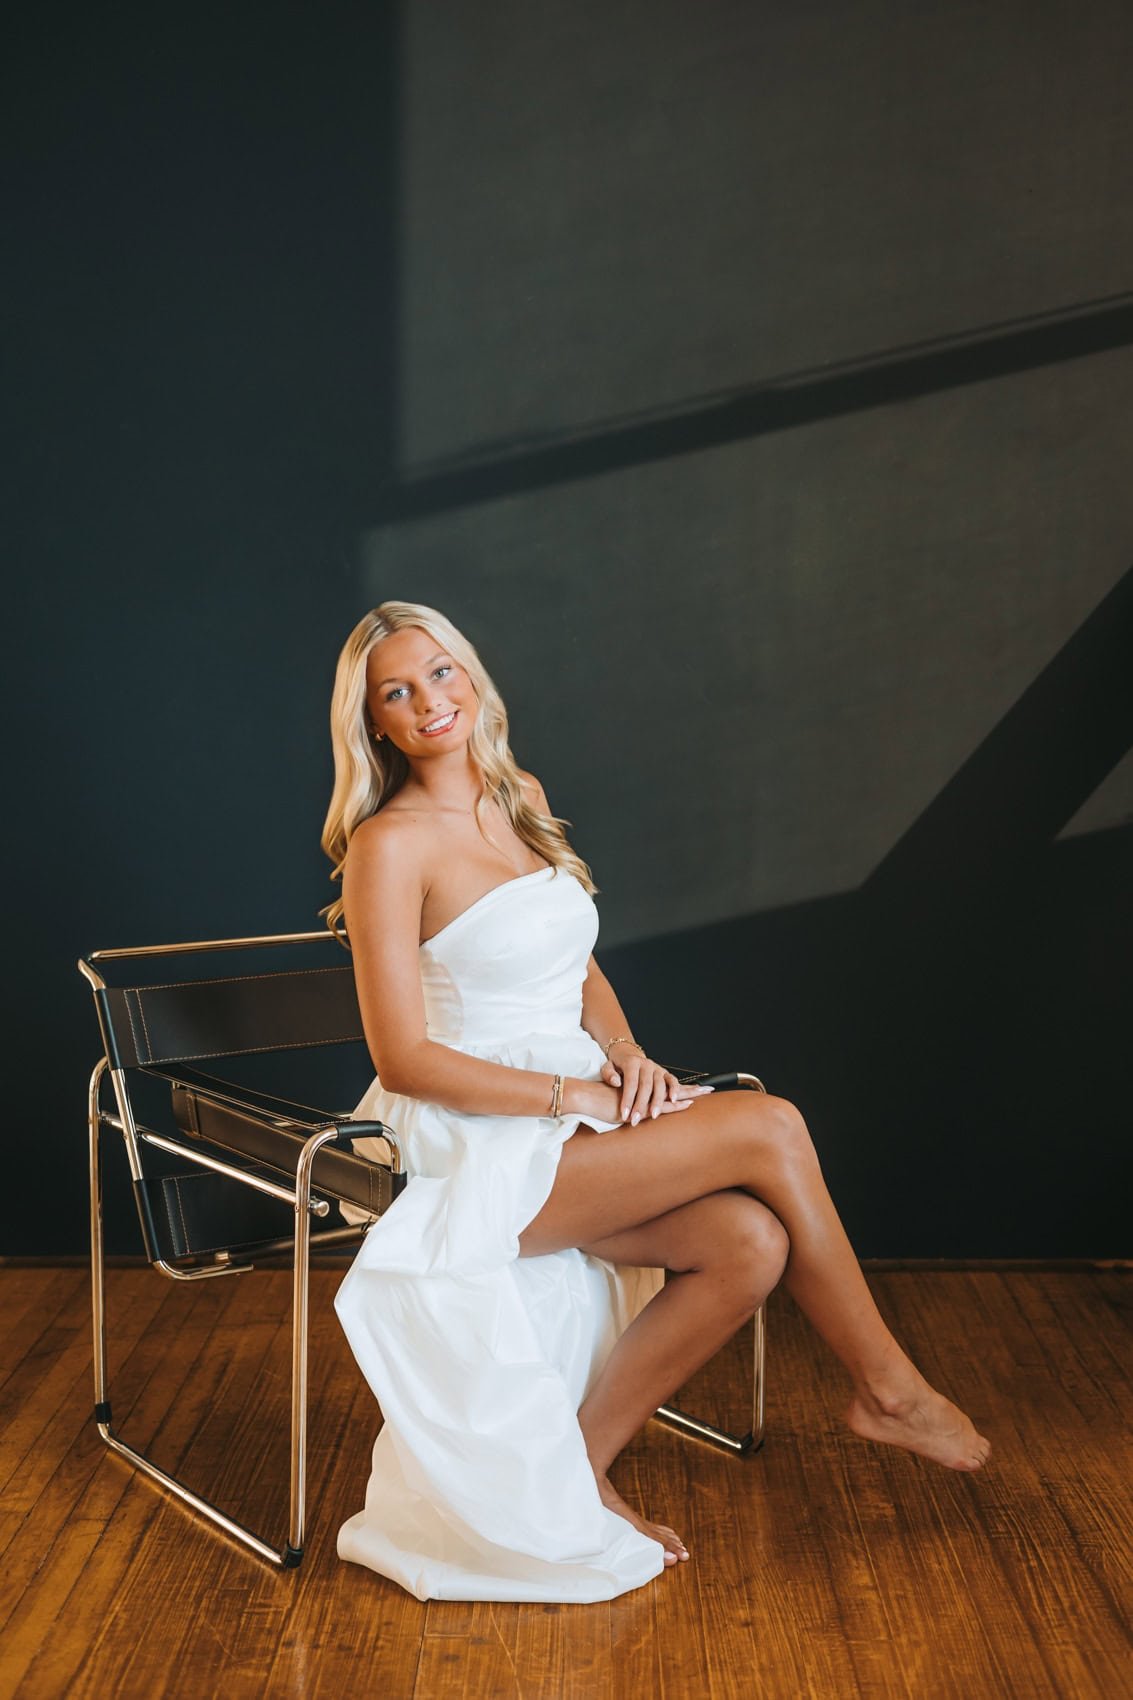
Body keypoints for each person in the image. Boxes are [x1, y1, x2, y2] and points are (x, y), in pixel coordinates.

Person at [324, 601, 990, 1604]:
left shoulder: (518, 795)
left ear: (471, 675)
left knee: (747, 1242)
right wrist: (575, 1091)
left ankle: (583, 1466)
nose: (428, 701)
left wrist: (626, 1054)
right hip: (471, 1144)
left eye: (441, 672)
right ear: (373, 721)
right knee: (770, 1123)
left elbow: (573, 963)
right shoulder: (390, 845)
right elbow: (405, 1057)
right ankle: (889, 1388)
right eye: (396, 692)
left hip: (569, 1111)